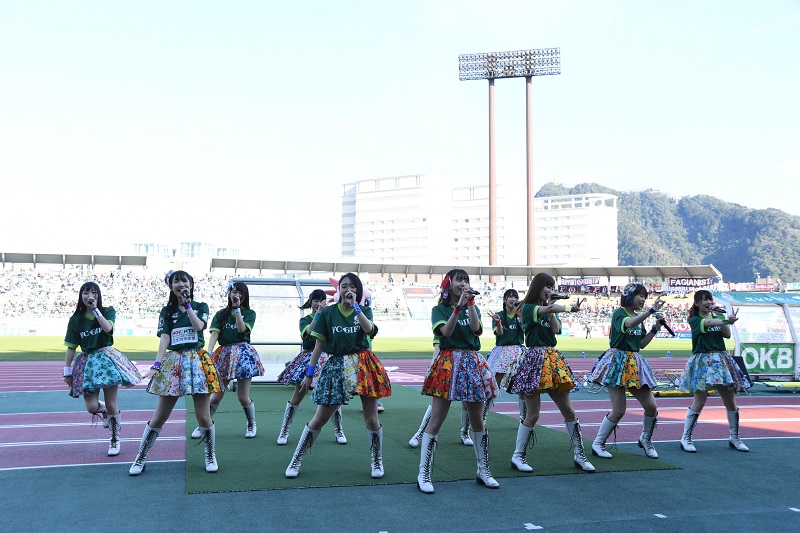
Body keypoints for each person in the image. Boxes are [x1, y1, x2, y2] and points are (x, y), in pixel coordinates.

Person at [285, 273, 391, 479]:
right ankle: (296, 459)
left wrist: (356, 308)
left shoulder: (364, 310)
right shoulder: (328, 312)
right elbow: (319, 345)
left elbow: (369, 330)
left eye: (353, 286)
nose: (348, 290)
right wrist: (309, 373)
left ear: (358, 290)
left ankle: (377, 460)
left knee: (371, 419)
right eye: (344, 286)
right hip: (336, 365)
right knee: (320, 418)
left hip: (363, 364)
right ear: (338, 290)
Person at [129, 270, 222, 475]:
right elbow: (165, 338)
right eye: (176, 281)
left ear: (191, 284)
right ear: (170, 287)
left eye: (184, 281)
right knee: (160, 416)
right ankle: (140, 457)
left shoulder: (201, 306)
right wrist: (156, 364)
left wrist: (187, 305)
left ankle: (210, 455)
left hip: (197, 362)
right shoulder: (167, 311)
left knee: (203, 417)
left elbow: (199, 326)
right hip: (174, 362)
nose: (181, 284)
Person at [416, 269, 498, 494]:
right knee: (436, 419)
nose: (463, 283)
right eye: (459, 279)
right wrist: (457, 308)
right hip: (448, 363)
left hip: (471, 361)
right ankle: (423, 473)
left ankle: (483, 470)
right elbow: (446, 332)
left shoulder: (473, 307)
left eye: (466, 280)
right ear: (449, 283)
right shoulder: (439, 310)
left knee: (477, 420)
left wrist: (470, 304)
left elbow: (476, 330)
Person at [503, 273, 595, 473]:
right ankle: (518, 456)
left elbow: (555, 329)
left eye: (552, 287)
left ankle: (580, 455)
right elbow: (550, 308)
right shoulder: (528, 308)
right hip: (534, 360)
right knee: (533, 414)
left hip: (551, 360)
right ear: (538, 287)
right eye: (547, 286)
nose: (550, 290)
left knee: (569, 411)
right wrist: (570, 308)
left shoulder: (547, 309)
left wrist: (553, 311)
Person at [588, 282, 666, 460]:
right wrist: (651, 311)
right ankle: (598, 444)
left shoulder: (638, 317)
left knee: (651, 406)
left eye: (645, 297)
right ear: (630, 296)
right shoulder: (619, 314)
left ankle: (645, 439)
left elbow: (641, 344)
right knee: (619, 410)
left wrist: (656, 328)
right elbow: (628, 324)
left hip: (634, 363)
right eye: (641, 296)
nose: (643, 300)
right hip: (617, 363)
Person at [63, 282, 141, 456]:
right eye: (86, 293)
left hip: (106, 359)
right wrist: (67, 371)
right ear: (80, 296)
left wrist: (95, 309)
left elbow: (108, 329)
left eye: (93, 293)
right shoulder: (76, 319)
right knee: (91, 407)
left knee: (112, 404)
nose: (90, 296)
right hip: (87, 362)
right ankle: (104, 410)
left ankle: (114, 438)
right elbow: (71, 346)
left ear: (98, 295)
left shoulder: (107, 311)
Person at [190, 280, 264, 439]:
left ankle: (251, 424)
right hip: (224, 354)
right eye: (234, 292)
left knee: (242, 396)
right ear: (229, 293)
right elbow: (214, 334)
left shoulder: (249, 313)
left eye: (240, 293)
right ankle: (203, 425)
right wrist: (209, 352)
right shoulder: (220, 314)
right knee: (216, 394)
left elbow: (241, 329)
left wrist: (237, 310)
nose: (237, 295)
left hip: (243, 354)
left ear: (245, 296)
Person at [677, 290, 749, 452]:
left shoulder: (717, 317)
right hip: (703, 360)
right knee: (699, 401)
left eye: (710, 300)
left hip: (721, 360)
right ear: (697, 303)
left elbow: (727, 334)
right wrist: (725, 319)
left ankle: (735, 437)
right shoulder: (695, 319)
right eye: (704, 300)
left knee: (730, 401)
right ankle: (686, 438)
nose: (709, 303)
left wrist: (723, 318)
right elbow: (708, 324)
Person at [276, 289, 347, 446]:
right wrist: (318, 315)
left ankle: (339, 431)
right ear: (311, 302)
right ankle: (284, 430)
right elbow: (308, 332)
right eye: (316, 300)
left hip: (327, 359)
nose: (318, 303)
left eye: (322, 300)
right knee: (297, 396)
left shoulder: (329, 317)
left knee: (333, 397)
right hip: (308, 359)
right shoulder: (305, 319)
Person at [485, 289, 526, 426]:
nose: (513, 299)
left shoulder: (520, 314)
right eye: (510, 297)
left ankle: (523, 418)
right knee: (495, 382)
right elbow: (500, 333)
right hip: (502, 350)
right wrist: (498, 322)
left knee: (522, 384)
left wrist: (520, 315)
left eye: (515, 297)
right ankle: (483, 414)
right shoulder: (499, 315)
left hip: (518, 350)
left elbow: (525, 329)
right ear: (505, 300)